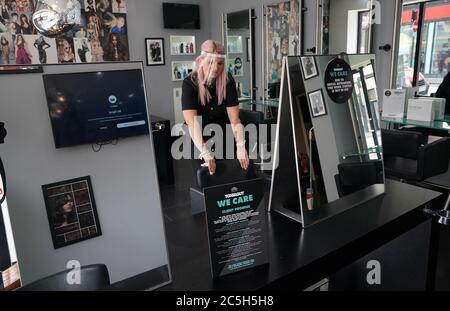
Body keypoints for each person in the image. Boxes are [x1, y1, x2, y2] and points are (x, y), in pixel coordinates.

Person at [181, 40, 249, 176]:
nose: (216, 68)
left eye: (220, 63)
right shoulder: (189, 83)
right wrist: (205, 152)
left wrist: (240, 146)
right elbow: (192, 123)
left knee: (235, 173)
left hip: (222, 132)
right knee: (207, 174)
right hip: (197, 135)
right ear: (200, 62)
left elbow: (235, 120)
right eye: (211, 63)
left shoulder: (228, 80)